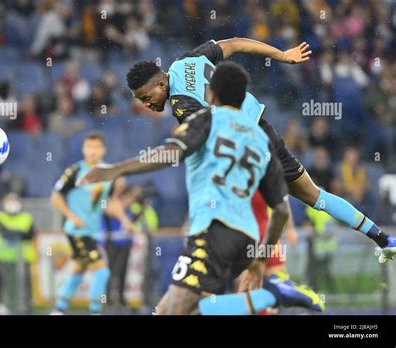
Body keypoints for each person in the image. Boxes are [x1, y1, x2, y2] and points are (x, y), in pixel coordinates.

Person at [125, 37, 395, 264]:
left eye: (147, 98)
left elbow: (207, 132)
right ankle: (384, 239)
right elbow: (235, 43)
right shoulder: (185, 62)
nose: (147, 105)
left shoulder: (181, 103)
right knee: (316, 197)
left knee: (233, 211)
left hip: (247, 143)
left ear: (161, 84)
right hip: (263, 128)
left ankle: (263, 281)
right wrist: (282, 55)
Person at [80, 62, 323, 315]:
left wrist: (117, 169)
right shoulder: (261, 139)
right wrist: (261, 258)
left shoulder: (207, 119)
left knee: (171, 312)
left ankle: (272, 294)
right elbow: (282, 210)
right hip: (247, 238)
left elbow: (171, 152)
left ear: (212, 95)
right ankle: (270, 294)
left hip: (214, 231)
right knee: (185, 312)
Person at [50, 132, 135, 314]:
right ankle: (95, 311)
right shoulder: (74, 172)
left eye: (96, 147)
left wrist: (124, 221)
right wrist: (71, 216)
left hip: (92, 232)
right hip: (77, 231)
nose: (92, 151)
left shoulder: (108, 173)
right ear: (83, 149)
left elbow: (110, 202)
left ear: (103, 150)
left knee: (78, 271)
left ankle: (59, 310)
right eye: (89, 147)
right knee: (103, 272)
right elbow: (55, 197)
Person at [0, 192, 36, 313]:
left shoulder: (26, 217)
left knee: (24, 284)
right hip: (4, 258)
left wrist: (15, 233)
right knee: (8, 284)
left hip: (23, 257)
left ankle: (26, 307)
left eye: (14, 200)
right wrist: (18, 233)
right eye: (9, 200)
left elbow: (29, 235)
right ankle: (9, 308)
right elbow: (5, 234)